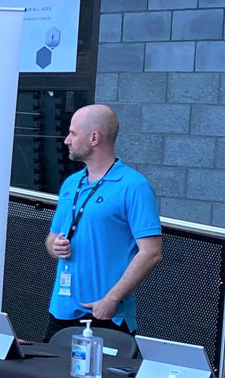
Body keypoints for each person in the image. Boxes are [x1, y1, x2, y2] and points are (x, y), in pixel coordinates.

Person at [44, 104, 163, 337]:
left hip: (106, 314)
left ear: (94, 138)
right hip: (61, 311)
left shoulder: (133, 185)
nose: (67, 140)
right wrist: (54, 246)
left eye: (73, 133)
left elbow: (151, 252)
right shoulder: (71, 183)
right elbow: (52, 237)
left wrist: (112, 299)